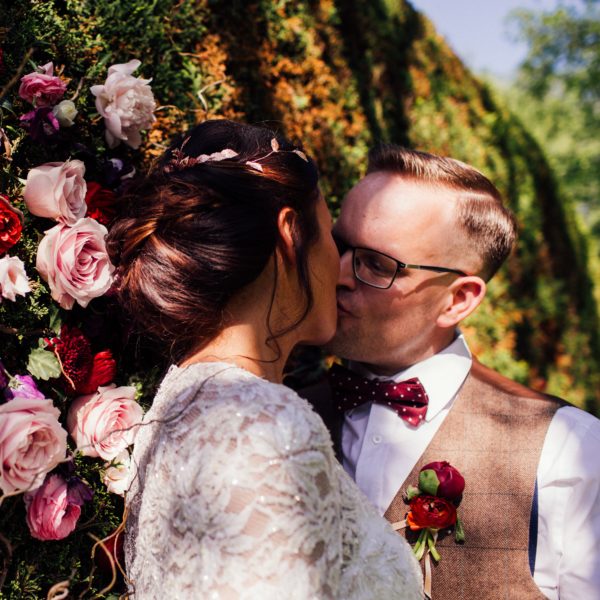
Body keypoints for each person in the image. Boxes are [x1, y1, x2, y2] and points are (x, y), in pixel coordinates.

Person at [106, 121, 423, 599]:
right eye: (330, 234)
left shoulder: (177, 402)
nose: (341, 271)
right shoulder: (264, 423)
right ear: (291, 235)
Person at [305, 144, 600, 600]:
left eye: (377, 264)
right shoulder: (280, 407)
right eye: (339, 246)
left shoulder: (569, 450)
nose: (339, 274)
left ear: (458, 300)